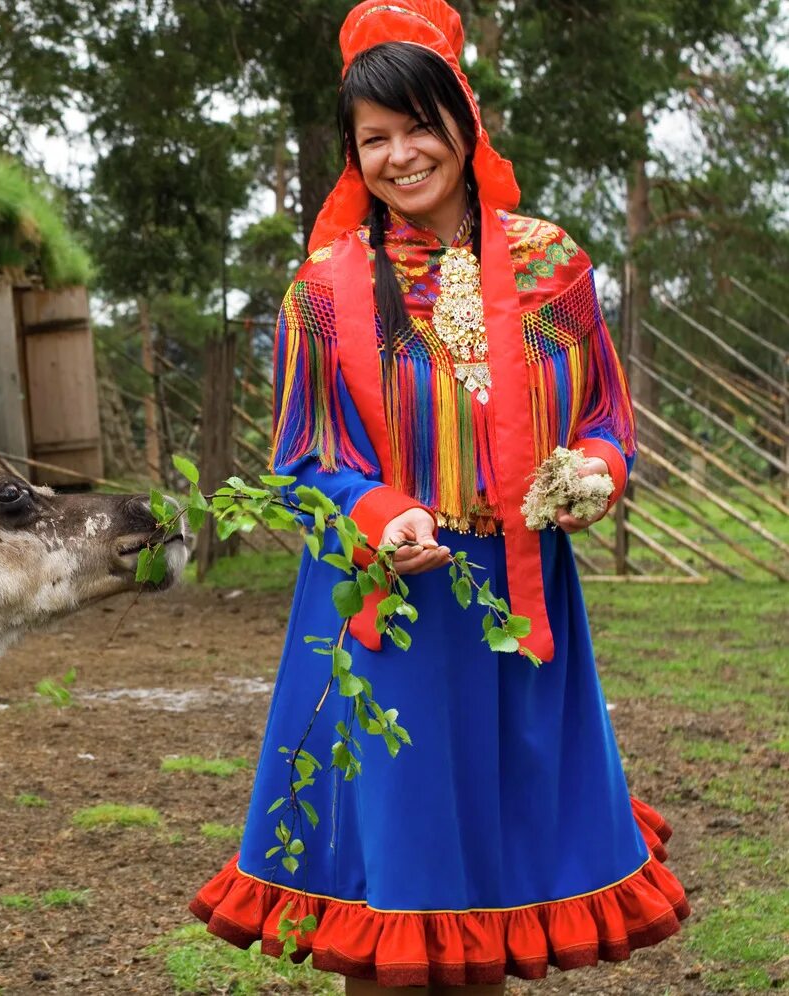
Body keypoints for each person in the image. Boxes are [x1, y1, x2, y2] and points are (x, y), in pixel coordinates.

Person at [189, 3, 689, 993]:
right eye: (374, 138)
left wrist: (594, 469)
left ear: (464, 121)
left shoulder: (553, 267)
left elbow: (604, 412)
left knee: (489, 893)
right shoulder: (325, 290)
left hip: (518, 608)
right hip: (390, 613)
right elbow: (302, 458)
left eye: (419, 125)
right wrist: (382, 515)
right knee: (398, 885)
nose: (401, 155)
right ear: (353, 154)